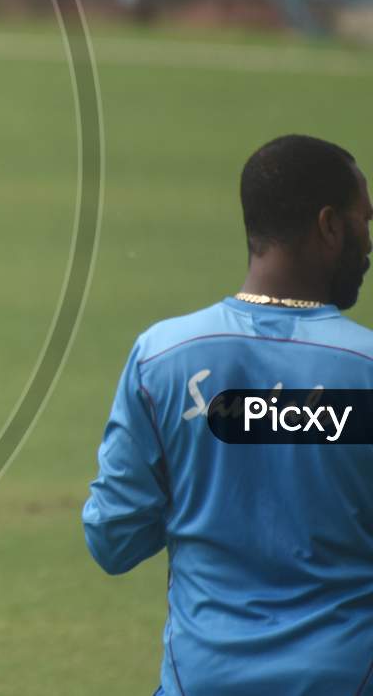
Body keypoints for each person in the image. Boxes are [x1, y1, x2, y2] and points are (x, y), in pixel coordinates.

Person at [84, 134, 373, 694]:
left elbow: (113, 539)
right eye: (366, 220)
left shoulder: (162, 357)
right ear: (330, 225)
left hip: (201, 681)